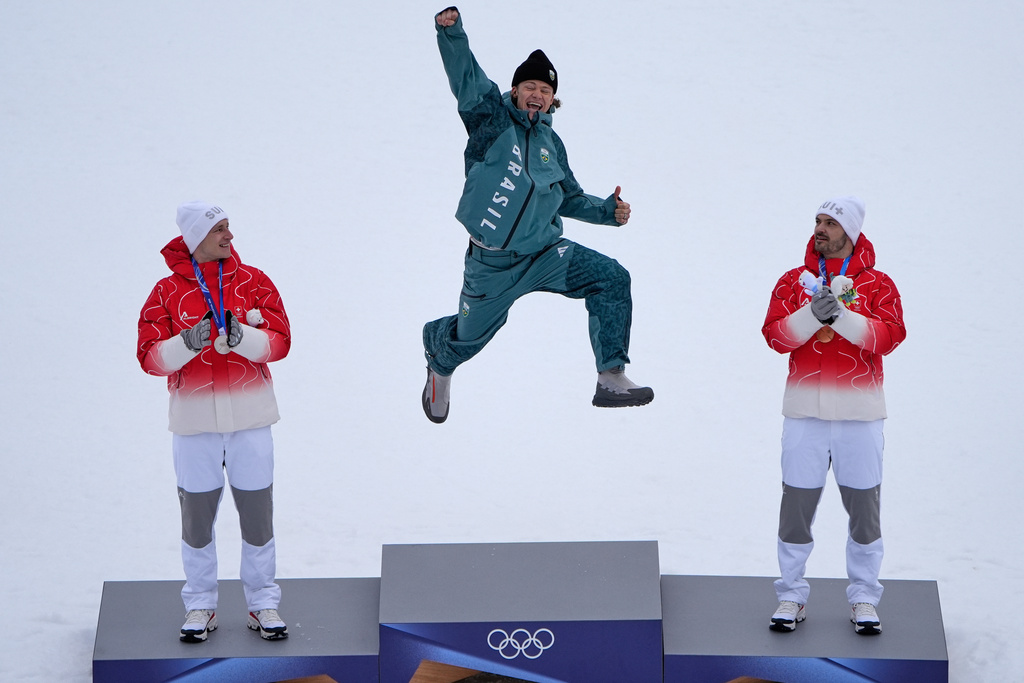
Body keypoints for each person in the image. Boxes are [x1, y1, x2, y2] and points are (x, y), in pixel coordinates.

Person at [421, 6, 653, 423]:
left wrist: (607, 211)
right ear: (515, 91)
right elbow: (466, 78)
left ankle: (610, 375)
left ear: (552, 98)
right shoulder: (490, 119)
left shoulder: (552, 144)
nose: (537, 94)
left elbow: (567, 197)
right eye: (529, 86)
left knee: (612, 277)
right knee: (469, 340)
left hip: (546, 254)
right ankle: (440, 361)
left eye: (544, 90)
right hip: (492, 265)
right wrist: (452, 33)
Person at [137, 201, 292, 642]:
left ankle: (263, 603)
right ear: (194, 238)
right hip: (194, 426)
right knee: (197, 521)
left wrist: (243, 337)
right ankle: (200, 604)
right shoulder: (165, 293)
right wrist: (189, 341)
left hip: (251, 419)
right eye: (219, 229)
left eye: (229, 227)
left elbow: (280, 342)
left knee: (258, 516)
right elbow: (149, 358)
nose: (229, 236)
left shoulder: (254, 281)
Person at [761, 196, 906, 635]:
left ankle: (864, 596)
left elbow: (890, 336)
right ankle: (791, 593)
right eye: (818, 221)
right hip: (805, 412)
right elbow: (775, 336)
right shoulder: (793, 282)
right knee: (796, 508)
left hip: (860, 415)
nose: (821, 228)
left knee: (864, 509)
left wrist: (841, 316)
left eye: (831, 222)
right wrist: (809, 314)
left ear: (851, 232)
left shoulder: (879, 284)